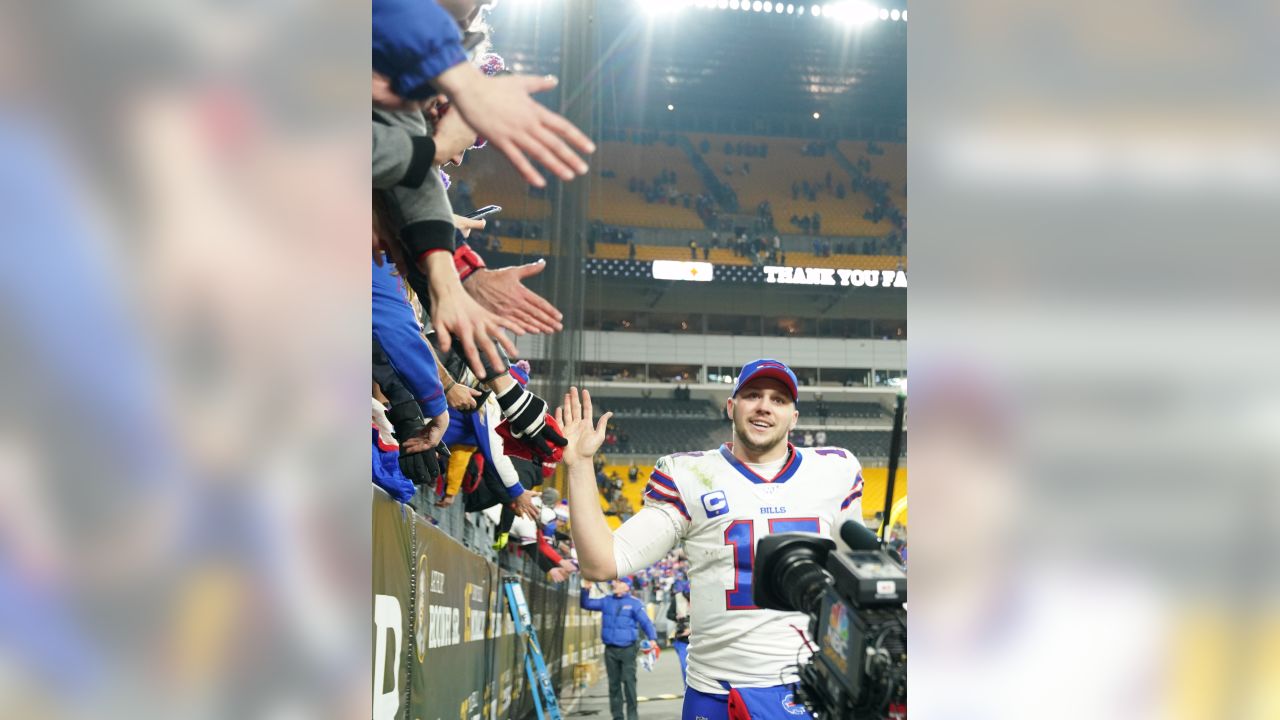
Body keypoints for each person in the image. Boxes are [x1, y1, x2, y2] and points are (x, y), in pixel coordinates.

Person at [557, 359, 866, 720]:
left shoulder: (835, 470)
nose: (765, 405)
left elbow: (857, 576)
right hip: (717, 691)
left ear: (793, 417)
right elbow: (601, 562)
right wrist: (579, 465)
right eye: (753, 395)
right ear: (732, 407)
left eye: (779, 399)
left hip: (809, 686)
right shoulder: (689, 474)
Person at [580, 578, 658, 720]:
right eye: (614, 582)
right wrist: (585, 590)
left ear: (626, 586)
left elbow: (646, 622)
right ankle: (617, 717)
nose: (614, 584)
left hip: (628, 649)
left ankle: (632, 717)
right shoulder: (606, 600)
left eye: (618, 582)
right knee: (613, 685)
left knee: (629, 683)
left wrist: (652, 638)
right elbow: (586, 604)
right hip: (610, 650)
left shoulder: (635, 603)